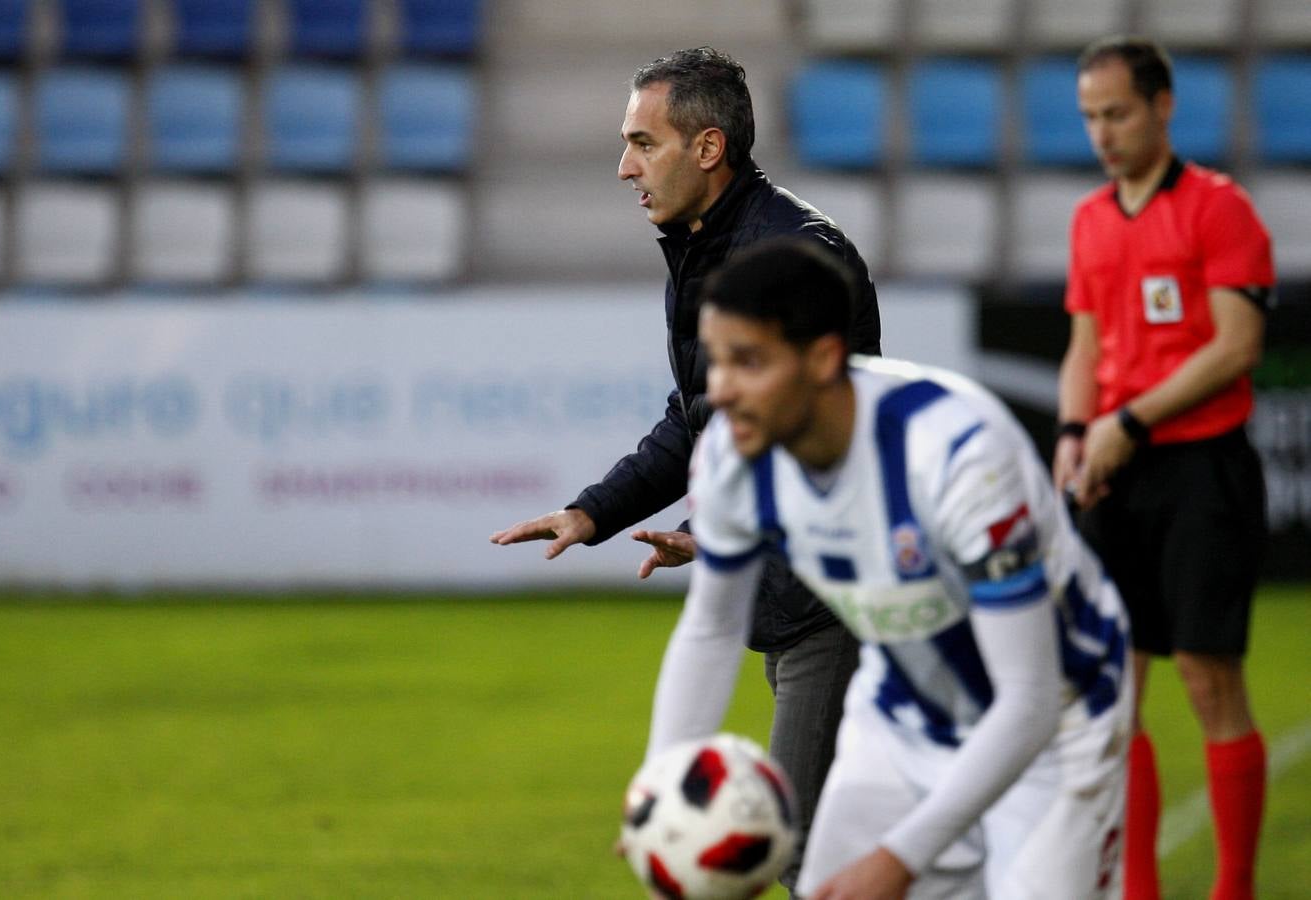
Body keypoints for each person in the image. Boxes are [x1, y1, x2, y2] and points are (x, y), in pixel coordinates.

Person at [490, 47, 882, 890]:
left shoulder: (790, 260)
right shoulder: (704, 246)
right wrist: (593, 512)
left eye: (643, 141)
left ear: (707, 149)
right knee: (828, 853)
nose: (623, 166)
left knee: (810, 854)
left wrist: (716, 530)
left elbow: (815, 434)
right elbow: (698, 418)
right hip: (781, 586)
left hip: (841, 588)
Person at [642, 238, 1132, 899]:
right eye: (717, 360)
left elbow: (1030, 699)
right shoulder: (733, 452)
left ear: (821, 359)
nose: (721, 390)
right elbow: (711, 628)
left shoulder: (959, 454)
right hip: (905, 711)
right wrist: (661, 796)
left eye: (749, 361)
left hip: (1060, 727)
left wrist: (899, 858)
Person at [1053, 36, 1274, 900]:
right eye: (1090, 117)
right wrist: (1077, 431)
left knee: (1208, 678)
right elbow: (1084, 345)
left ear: (1163, 106)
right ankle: (1136, 889)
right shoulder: (1090, 218)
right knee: (1116, 692)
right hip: (1115, 469)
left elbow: (1238, 346)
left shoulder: (1219, 210)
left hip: (1200, 469)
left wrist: (1129, 422)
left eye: (1117, 113)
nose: (1103, 133)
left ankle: (1235, 888)